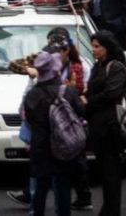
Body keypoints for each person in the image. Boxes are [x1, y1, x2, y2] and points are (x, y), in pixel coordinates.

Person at [23, 51, 86, 216]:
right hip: (63, 145)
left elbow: (28, 120)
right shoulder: (68, 92)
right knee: (63, 186)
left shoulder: (32, 95)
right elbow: (81, 112)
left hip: (40, 148)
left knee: (40, 188)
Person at [83, 33, 126, 215]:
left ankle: (112, 210)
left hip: (110, 126)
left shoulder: (115, 67)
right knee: (104, 172)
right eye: (93, 46)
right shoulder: (97, 66)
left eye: (97, 46)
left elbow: (112, 94)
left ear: (107, 47)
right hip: (97, 126)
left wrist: (89, 100)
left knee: (111, 174)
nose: (93, 50)